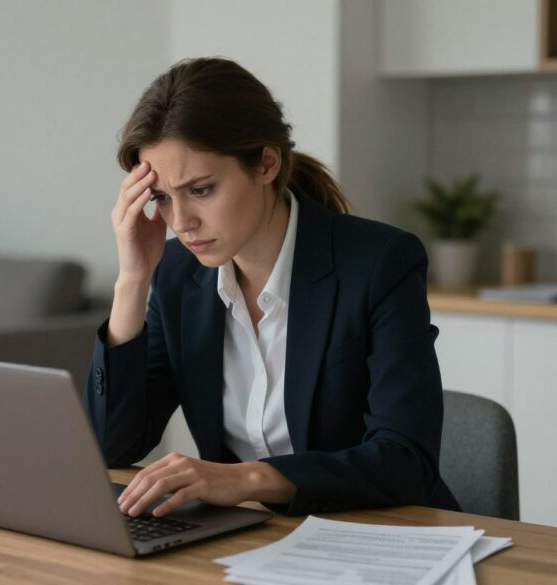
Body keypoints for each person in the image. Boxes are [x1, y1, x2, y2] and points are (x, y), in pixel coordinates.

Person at [85, 57, 460, 519]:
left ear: (265, 163)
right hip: (249, 541)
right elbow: (112, 447)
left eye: (200, 190)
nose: (180, 223)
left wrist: (246, 478)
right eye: (161, 198)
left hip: (377, 536)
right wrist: (133, 280)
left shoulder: (380, 263)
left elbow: (406, 461)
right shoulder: (176, 276)